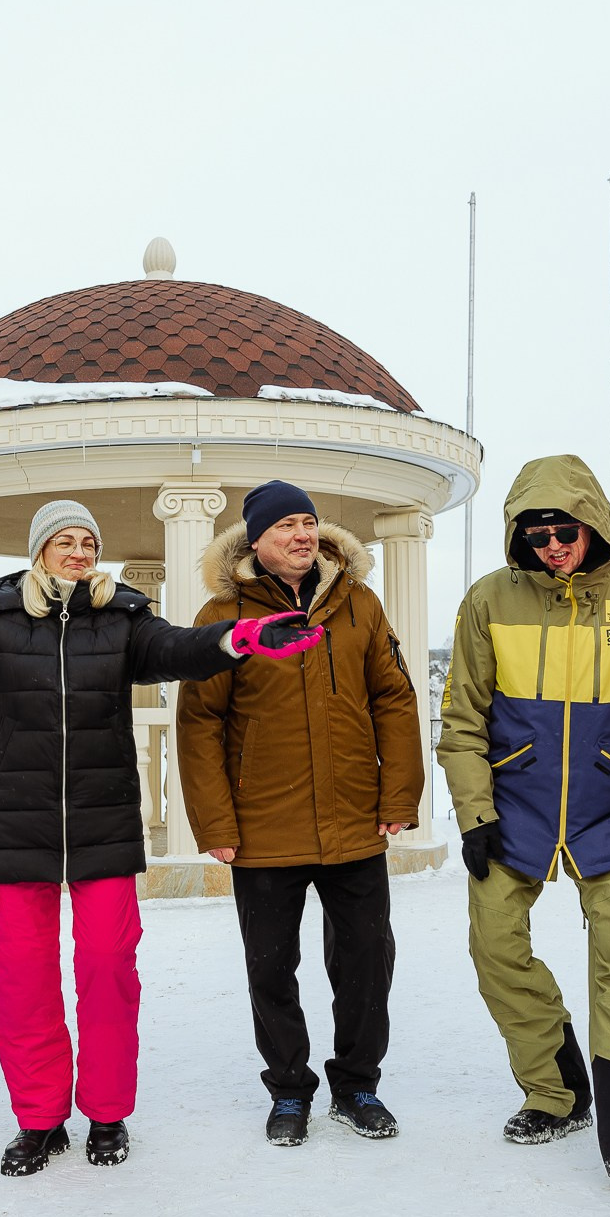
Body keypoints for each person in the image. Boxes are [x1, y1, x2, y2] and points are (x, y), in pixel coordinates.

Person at [0, 499, 323, 1176]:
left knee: (108, 971)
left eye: (89, 541)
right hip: (13, 825)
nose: (80, 552)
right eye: (65, 541)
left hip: (102, 820)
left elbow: (178, 650)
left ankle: (108, 1115)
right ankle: (39, 1121)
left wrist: (239, 641)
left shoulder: (124, 618)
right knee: (21, 980)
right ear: (39, 551)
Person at [437, 456, 610, 1194]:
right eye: (535, 535)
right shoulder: (489, 598)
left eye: (565, 530)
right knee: (495, 948)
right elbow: (462, 720)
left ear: (593, 523)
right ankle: (556, 1089)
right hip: (512, 814)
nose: (553, 545)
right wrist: (474, 814)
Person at [174, 480, 426, 1147]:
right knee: (270, 966)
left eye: (309, 522)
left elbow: (395, 701)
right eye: (286, 524)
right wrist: (217, 826)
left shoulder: (360, 605)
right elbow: (199, 723)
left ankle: (358, 1085)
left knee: (367, 961)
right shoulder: (221, 616)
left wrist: (399, 796)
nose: (302, 534)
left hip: (353, 822)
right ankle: (289, 1090)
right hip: (262, 827)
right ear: (255, 540)